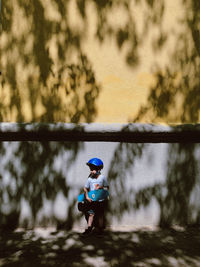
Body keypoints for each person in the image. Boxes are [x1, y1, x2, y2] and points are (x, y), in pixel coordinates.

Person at [82, 157, 109, 236]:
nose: (91, 171)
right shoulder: (90, 179)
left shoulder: (102, 178)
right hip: (92, 201)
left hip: (100, 201)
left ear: (99, 169)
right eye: (90, 169)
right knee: (91, 214)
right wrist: (87, 197)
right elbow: (85, 188)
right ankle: (89, 228)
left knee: (100, 215)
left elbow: (107, 187)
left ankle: (100, 230)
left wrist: (101, 188)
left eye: (92, 169)